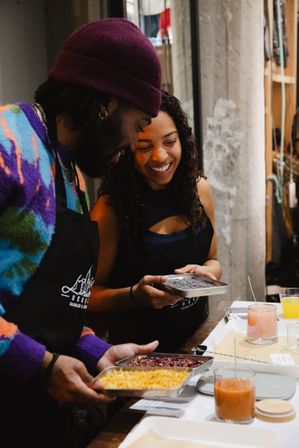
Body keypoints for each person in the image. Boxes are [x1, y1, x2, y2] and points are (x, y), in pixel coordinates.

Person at [0, 18, 162, 448]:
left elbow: (55, 308)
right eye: (138, 123)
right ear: (107, 103)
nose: (133, 143)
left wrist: (97, 353)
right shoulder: (6, 145)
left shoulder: (72, 173)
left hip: (37, 417)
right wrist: (38, 364)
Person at [89, 91, 222, 352]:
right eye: (144, 147)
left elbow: (213, 261)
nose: (160, 156)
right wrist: (134, 296)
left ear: (183, 140)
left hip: (197, 343)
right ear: (127, 149)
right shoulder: (110, 209)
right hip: (139, 354)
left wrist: (208, 275)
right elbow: (88, 296)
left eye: (170, 142)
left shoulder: (200, 190)